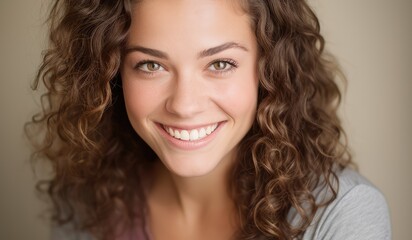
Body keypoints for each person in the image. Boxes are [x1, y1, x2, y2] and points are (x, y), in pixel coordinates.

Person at [27, 0, 391, 239]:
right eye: (151, 65)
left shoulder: (344, 214)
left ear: (270, 70)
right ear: (113, 75)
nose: (185, 105)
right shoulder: (89, 203)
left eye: (220, 64)